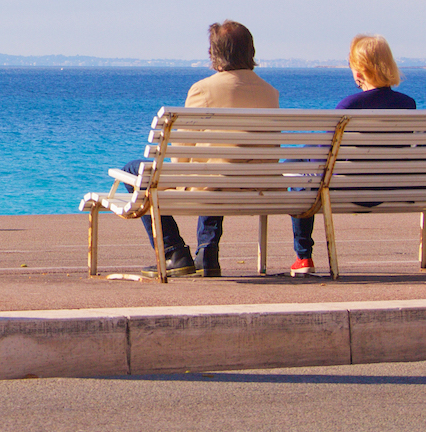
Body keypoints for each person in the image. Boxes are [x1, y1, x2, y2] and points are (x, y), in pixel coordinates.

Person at [122, 21, 279, 278]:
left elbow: (181, 154)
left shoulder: (203, 90)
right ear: (251, 51)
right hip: (257, 184)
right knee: (218, 169)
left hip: (214, 182)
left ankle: (173, 251)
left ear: (213, 53)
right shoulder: (270, 93)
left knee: (133, 170)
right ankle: (207, 253)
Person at [290, 34, 415, 276]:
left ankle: (304, 257)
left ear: (359, 71)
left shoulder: (349, 106)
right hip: (391, 187)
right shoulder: (408, 104)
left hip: (349, 189)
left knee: (299, 170)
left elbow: (324, 159)